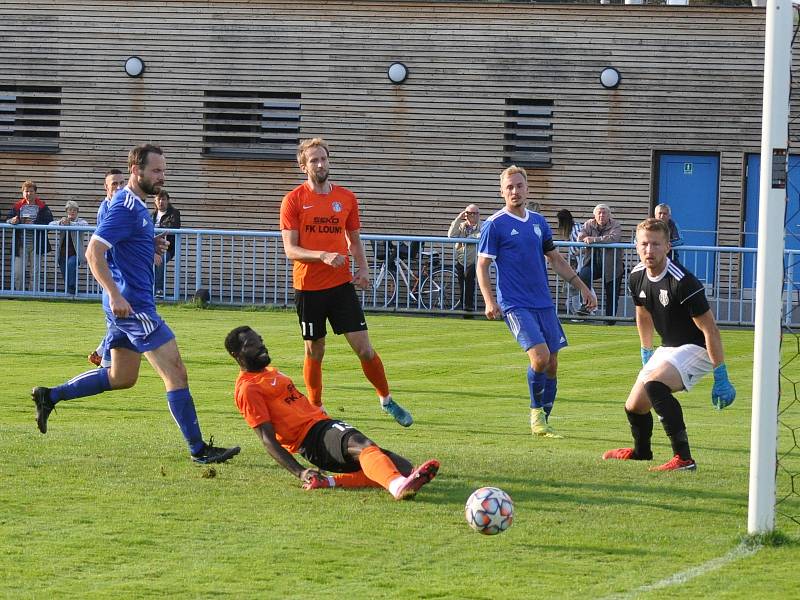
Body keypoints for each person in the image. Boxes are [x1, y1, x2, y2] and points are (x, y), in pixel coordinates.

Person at [31, 144, 240, 465]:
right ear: (136, 171)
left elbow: (119, 248)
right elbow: (93, 252)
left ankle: (50, 395)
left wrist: (148, 244)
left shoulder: (139, 208)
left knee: (122, 378)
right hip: (135, 307)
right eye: (156, 170)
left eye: (164, 170)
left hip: (127, 307)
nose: (162, 176)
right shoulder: (124, 206)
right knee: (177, 373)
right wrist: (114, 295)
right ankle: (199, 450)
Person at [279, 137, 412, 427]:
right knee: (315, 350)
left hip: (341, 286)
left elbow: (355, 240)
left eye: (323, 158)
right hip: (308, 288)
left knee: (364, 348)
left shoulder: (347, 198)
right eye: (313, 160)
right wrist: (322, 255)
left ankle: (387, 400)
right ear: (303, 166)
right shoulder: (293, 200)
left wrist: (363, 269)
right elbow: (290, 250)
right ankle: (315, 408)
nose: (320, 164)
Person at [225, 325, 439, 499]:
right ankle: (397, 488)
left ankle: (328, 482)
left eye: (260, 340)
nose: (262, 347)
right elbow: (267, 439)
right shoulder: (247, 389)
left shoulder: (270, 372)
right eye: (252, 345)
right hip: (311, 437)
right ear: (237, 354)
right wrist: (300, 472)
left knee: (402, 468)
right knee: (361, 445)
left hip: (321, 426)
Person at [602, 218, 736, 471]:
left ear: (667, 247)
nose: (649, 250)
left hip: (698, 346)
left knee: (655, 384)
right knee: (635, 406)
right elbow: (642, 314)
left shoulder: (682, 281)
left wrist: (721, 373)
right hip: (669, 347)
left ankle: (684, 459)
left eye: (655, 244)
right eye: (644, 244)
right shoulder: (636, 276)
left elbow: (710, 328)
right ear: (636, 246)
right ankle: (642, 452)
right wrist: (646, 351)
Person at [477, 166, 597, 438]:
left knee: (553, 363)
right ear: (502, 191)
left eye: (519, 186)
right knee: (540, 357)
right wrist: (489, 300)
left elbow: (555, 259)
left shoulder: (538, 222)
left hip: (543, 302)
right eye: (509, 187)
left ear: (527, 189)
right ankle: (536, 416)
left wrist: (583, 288)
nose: (515, 191)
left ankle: (545, 419)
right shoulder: (494, 224)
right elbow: (482, 265)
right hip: (515, 304)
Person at [88, 169, 127, 368]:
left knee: (117, 321)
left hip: (119, 275)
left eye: (122, 182)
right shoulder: (108, 210)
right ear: (106, 188)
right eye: (114, 184)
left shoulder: (118, 206)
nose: (119, 187)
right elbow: (104, 248)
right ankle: (105, 360)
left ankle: (102, 352)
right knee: (118, 321)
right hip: (115, 275)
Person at [577, 203, 624, 323]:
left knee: (612, 295)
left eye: (604, 213)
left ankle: (610, 321)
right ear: (595, 215)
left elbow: (614, 238)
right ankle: (587, 305)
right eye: (599, 213)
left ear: (609, 215)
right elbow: (580, 237)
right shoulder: (589, 224)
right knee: (583, 275)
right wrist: (586, 238)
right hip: (593, 262)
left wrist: (594, 240)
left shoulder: (615, 224)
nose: (601, 215)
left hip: (612, 265)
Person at [6, 180, 53, 291]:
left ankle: (33, 295)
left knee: (35, 272)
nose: (29, 194)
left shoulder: (43, 206)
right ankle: (18, 294)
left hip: (37, 243)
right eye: (26, 191)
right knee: (18, 272)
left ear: (35, 193)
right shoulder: (17, 206)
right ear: (23, 192)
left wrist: (34, 224)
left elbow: (49, 221)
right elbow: (7, 219)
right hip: (20, 244)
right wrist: (13, 220)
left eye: (31, 191)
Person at [447, 204, 482, 312]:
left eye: (474, 213)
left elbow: (481, 236)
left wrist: (469, 238)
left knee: (469, 282)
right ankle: (464, 306)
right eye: (469, 213)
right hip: (461, 260)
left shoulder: (483, 226)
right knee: (462, 284)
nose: (471, 215)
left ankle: (468, 307)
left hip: (474, 260)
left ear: (478, 215)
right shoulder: (461, 225)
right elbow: (451, 235)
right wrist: (458, 218)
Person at [49, 201, 89, 294]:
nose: (72, 212)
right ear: (66, 211)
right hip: (62, 253)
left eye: (74, 210)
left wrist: (70, 223)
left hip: (76, 253)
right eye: (70, 210)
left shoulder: (81, 221)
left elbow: (85, 225)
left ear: (77, 211)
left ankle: (72, 286)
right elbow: (50, 224)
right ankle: (70, 295)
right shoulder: (63, 221)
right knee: (65, 274)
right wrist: (60, 223)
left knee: (71, 264)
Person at [152, 189, 181, 299]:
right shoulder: (152, 215)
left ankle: (159, 289)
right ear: (155, 201)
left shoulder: (174, 214)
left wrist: (156, 230)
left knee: (160, 260)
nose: (161, 202)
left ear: (168, 201)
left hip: (167, 248)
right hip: (152, 248)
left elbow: (173, 227)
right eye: (158, 199)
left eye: (163, 199)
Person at [556, 208, 584, 315]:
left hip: (580, 262)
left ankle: (580, 311)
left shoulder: (576, 229)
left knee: (575, 287)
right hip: (575, 262)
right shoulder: (574, 229)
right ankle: (576, 311)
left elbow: (582, 247)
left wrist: (574, 255)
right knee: (572, 288)